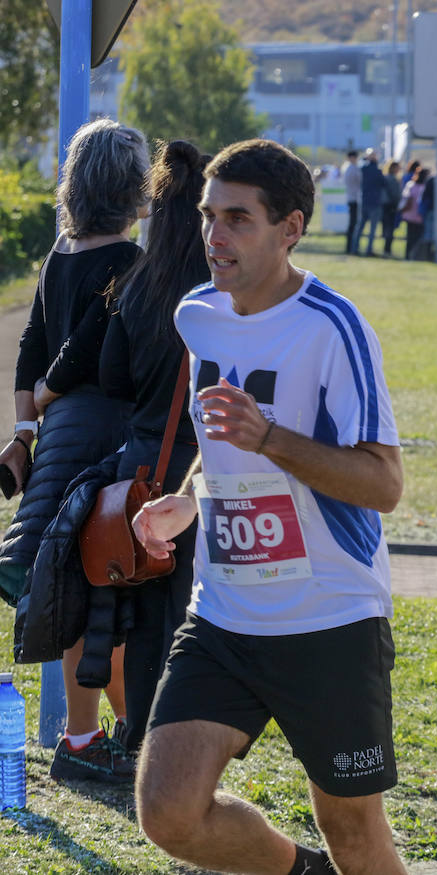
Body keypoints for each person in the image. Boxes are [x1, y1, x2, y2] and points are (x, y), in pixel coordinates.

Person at [131, 139, 404, 874]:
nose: (215, 237)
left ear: (290, 228)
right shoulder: (198, 316)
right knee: (168, 811)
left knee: (356, 835)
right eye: (208, 217)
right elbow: (221, 443)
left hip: (329, 616)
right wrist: (184, 502)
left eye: (238, 220)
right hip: (223, 613)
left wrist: (273, 436)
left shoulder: (333, 328)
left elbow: (384, 484)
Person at [1, 118, 149, 783]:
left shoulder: (59, 254)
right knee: (105, 585)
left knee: (82, 583)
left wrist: (25, 429)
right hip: (102, 433)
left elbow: (29, 350)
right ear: (132, 185)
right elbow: (77, 351)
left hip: (57, 436)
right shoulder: (129, 262)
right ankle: (98, 736)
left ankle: (124, 733)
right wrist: (57, 395)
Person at [98, 139, 212, 757]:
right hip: (207, 471)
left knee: (141, 617)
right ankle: (188, 746)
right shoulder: (224, 297)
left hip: (140, 471)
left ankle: (141, 737)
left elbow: (113, 381)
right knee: (200, 616)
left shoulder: (136, 286)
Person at [358, 150, 384, 257]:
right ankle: (369, 249)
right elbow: (383, 183)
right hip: (375, 202)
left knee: (360, 227)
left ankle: (354, 247)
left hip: (364, 200)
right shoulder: (378, 171)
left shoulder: (363, 169)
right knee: (372, 228)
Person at [401, 167, 430, 260]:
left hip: (409, 214)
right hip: (419, 215)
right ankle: (414, 255)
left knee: (410, 236)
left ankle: (408, 255)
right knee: (417, 236)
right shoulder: (424, 187)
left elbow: (405, 198)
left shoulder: (410, 185)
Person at [380, 160, 402, 257]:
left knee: (387, 228)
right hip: (391, 206)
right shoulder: (392, 179)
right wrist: (397, 203)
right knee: (390, 229)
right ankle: (387, 250)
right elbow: (395, 194)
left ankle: (386, 249)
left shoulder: (385, 178)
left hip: (385, 205)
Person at [341, 150, 361, 254]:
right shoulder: (353, 169)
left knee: (352, 224)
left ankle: (350, 247)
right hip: (354, 198)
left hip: (350, 198)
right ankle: (351, 247)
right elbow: (359, 182)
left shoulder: (346, 167)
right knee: (353, 224)